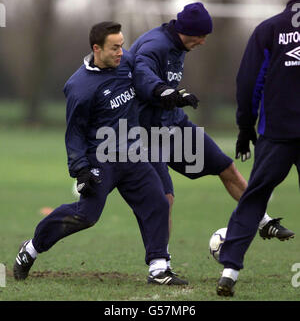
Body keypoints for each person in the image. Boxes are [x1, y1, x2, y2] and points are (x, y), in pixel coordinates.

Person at [13, 21, 188, 286]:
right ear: (97, 48)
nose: (121, 51)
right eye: (115, 47)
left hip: (131, 154)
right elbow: (74, 132)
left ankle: (158, 267)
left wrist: (165, 93)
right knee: (86, 216)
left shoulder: (126, 62)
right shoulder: (79, 86)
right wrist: (80, 169)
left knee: (158, 203)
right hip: (102, 159)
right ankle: (31, 248)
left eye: (122, 45)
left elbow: (145, 77)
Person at [129, 1, 294, 264]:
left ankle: (262, 221)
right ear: (187, 31)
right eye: (201, 36)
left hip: (174, 124)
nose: (203, 42)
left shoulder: (178, 44)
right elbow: (142, 71)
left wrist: (174, 98)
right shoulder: (155, 45)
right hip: (148, 133)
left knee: (226, 167)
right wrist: (162, 90)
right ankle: (160, 263)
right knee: (164, 198)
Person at [216, 0, 300, 296]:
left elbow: (249, 81)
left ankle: (229, 271)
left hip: (276, 132)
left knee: (254, 198)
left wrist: (244, 125)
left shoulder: (269, 29)